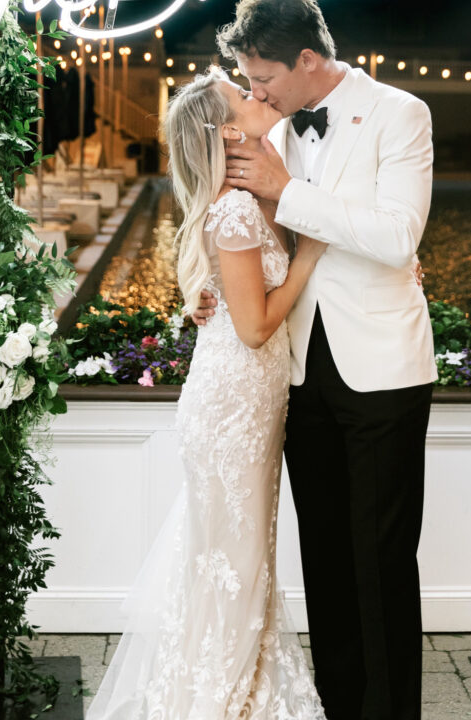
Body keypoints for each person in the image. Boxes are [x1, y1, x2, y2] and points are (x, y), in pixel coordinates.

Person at [196, 0, 436, 720]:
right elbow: (233, 228)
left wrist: (288, 190)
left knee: (382, 560)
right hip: (296, 371)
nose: (255, 91)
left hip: (384, 369)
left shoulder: (401, 113)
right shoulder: (272, 128)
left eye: (263, 76)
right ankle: (340, 707)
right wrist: (208, 293)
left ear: (307, 59)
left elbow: (399, 238)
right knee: (325, 558)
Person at [85, 66, 327, 720]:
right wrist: (309, 257)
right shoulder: (235, 208)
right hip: (236, 404)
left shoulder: (240, 197)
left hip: (240, 399)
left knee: (234, 555)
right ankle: (222, 700)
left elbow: (228, 303)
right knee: (237, 558)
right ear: (224, 131)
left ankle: (229, 687)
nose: (254, 99)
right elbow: (253, 327)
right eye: (239, 98)